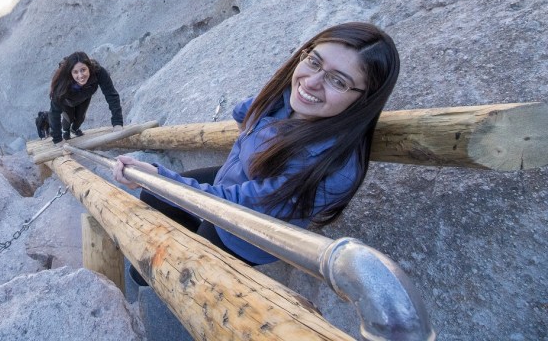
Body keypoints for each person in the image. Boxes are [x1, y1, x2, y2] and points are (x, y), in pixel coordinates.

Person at [112, 22, 400, 278]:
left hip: (244, 231)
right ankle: (163, 254)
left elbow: (231, 208)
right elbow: (245, 112)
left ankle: (154, 274)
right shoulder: (284, 98)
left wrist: (158, 175)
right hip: (237, 185)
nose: (311, 83)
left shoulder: (329, 166)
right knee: (154, 192)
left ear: (365, 99)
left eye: (338, 81)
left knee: (198, 246)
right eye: (314, 62)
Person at [49, 51, 124, 144]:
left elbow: (111, 95)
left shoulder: (98, 72)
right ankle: (66, 131)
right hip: (67, 101)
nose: (80, 76)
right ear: (70, 73)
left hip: (84, 96)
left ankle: (74, 129)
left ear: (89, 67)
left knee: (80, 119)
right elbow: (54, 112)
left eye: (83, 70)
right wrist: (57, 140)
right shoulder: (62, 82)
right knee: (69, 118)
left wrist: (118, 123)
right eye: (75, 72)